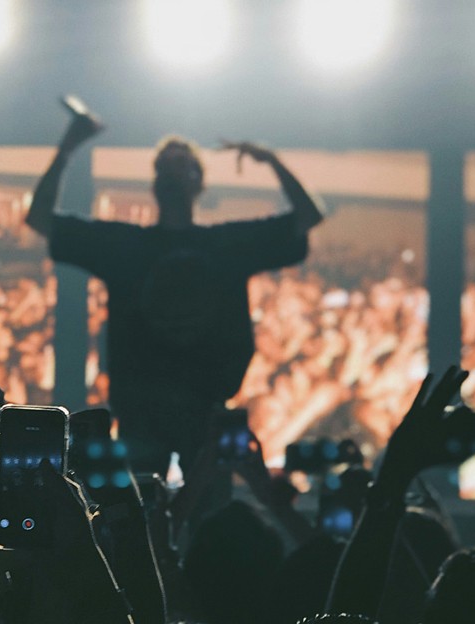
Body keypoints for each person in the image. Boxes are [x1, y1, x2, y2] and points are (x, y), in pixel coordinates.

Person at [26, 107, 325, 472]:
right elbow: (40, 218)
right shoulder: (127, 246)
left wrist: (272, 160)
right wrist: (68, 148)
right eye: (165, 166)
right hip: (143, 412)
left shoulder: (226, 245)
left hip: (202, 410)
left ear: (199, 182)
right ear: (155, 182)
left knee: (194, 505)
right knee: (144, 505)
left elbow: (308, 217)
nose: (172, 172)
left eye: (181, 165)